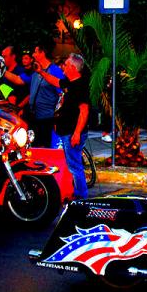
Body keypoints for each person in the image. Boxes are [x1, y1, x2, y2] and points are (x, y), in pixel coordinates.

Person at [35, 52, 90, 200]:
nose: (62, 66)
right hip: (66, 131)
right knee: (72, 164)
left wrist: (77, 133)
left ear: (73, 67)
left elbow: (84, 111)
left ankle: (81, 196)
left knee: (74, 166)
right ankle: (77, 193)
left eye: (65, 64)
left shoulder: (80, 86)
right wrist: (41, 72)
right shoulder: (69, 82)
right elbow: (56, 82)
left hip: (72, 132)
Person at [28, 44, 64, 147]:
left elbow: (62, 93)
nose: (33, 55)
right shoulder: (35, 71)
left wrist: (57, 116)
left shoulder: (55, 70)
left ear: (42, 53)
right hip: (34, 117)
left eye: (35, 52)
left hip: (48, 118)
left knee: (46, 147)